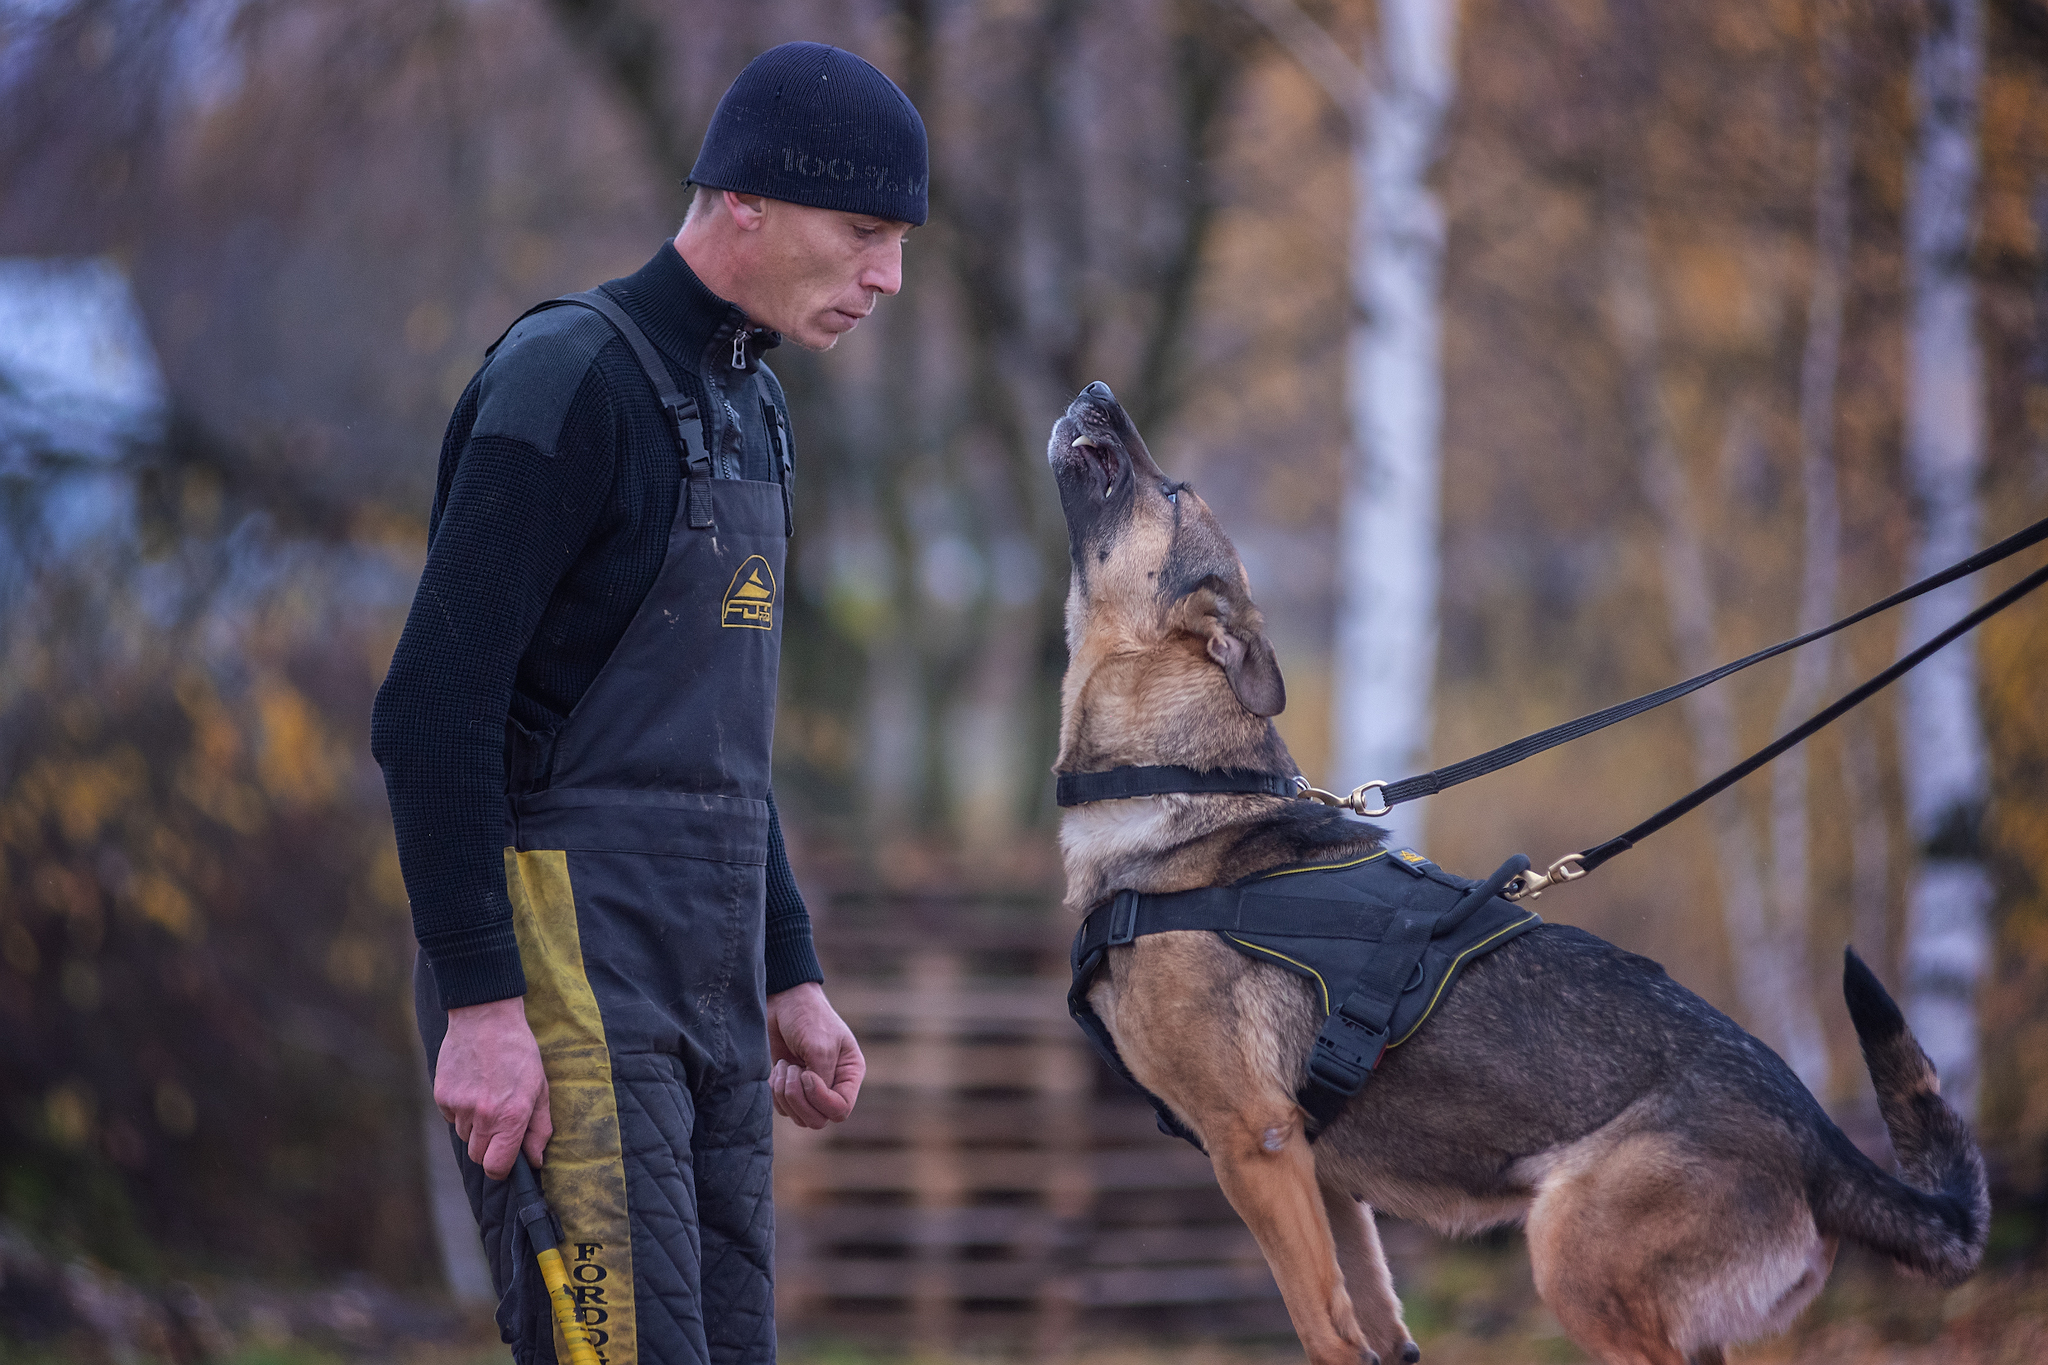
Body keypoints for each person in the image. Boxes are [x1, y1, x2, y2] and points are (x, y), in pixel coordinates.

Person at [370, 41, 926, 1365]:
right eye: (861, 231)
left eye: (898, 241)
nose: (889, 275)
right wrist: (484, 1004)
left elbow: (718, 750)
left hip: (711, 980)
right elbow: (430, 711)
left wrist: (788, 965)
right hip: (562, 972)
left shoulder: (753, 408)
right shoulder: (570, 382)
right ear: (744, 197)